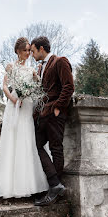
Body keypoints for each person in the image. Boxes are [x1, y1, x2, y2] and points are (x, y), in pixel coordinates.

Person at [0, 37, 48, 198]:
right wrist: (13, 99)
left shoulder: (31, 70)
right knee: (12, 139)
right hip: (14, 105)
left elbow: (39, 86)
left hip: (27, 105)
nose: (27, 53)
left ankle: (28, 183)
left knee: (27, 139)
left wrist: (36, 81)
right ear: (17, 51)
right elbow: (5, 87)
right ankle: (8, 182)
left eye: (29, 50)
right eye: (25, 50)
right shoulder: (11, 67)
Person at [31, 36, 74, 206]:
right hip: (43, 115)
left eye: (33, 51)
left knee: (56, 148)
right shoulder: (41, 67)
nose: (32, 55)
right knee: (36, 145)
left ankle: (55, 187)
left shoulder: (60, 61)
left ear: (42, 49)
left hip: (55, 114)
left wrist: (58, 107)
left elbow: (68, 87)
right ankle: (55, 183)